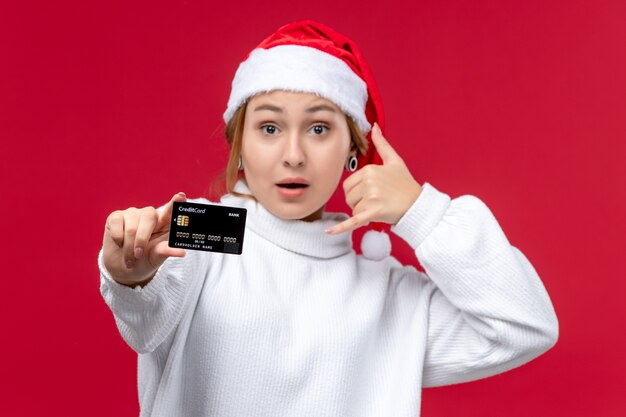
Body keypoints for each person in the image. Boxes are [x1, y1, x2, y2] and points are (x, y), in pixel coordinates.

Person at [99, 20, 558, 417]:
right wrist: (130, 278)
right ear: (240, 147)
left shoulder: (387, 294)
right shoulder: (204, 229)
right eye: (269, 128)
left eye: (319, 128)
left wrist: (422, 211)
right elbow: (145, 322)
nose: (294, 155)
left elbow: (524, 326)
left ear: (354, 153)